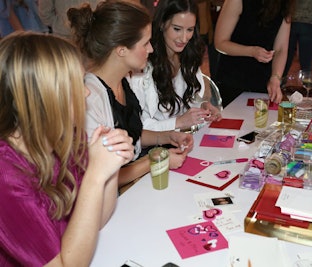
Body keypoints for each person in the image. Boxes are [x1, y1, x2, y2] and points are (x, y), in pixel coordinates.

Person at [0, 32, 134, 266]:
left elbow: (97, 221)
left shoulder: (65, 138)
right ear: (45, 97)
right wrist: (95, 175)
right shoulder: (6, 175)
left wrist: (111, 166)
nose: (87, 92)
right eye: (77, 84)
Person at [68, 0, 194, 189]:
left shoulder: (122, 80)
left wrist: (167, 137)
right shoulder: (91, 100)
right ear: (121, 50)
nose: (151, 49)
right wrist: (154, 161)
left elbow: (131, 136)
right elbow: (98, 177)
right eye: (145, 43)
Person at [130, 0, 222, 132]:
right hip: (152, 147)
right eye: (177, 29)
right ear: (162, 24)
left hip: (181, 140)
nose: (184, 38)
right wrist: (178, 122)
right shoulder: (143, 64)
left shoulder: (189, 57)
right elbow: (138, 126)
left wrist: (202, 107)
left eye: (189, 30)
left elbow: (185, 104)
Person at [213, 0, 294, 107]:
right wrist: (251, 51)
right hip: (232, 80)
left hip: (262, 82)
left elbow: (281, 49)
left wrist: (275, 77)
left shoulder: (284, 4)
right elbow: (220, 43)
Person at [283, 0, 312, 77]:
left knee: (284, 59)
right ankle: (306, 86)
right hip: (311, 20)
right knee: (306, 64)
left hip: (292, 17)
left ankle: (279, 84)